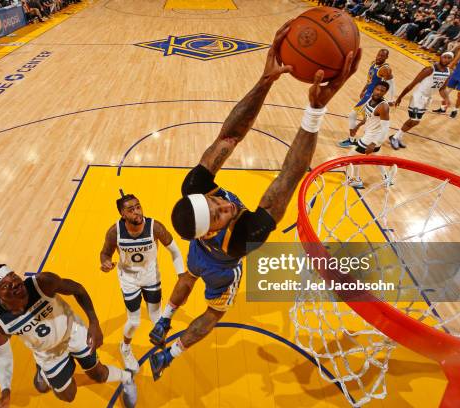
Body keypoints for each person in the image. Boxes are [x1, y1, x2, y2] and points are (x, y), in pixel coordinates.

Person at [147, 21, 361, 381]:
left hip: (199, 258)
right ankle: (172, 351)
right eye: (218, 215)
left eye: (216, 204)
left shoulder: (195, 189)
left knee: (188, 273)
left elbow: (229, 136)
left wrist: (266, 80)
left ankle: (166, 317)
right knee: (214, 312)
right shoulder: (245, 234)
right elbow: (289, 176)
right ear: (208, 231)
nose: (225, 207)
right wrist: (315, 110)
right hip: (221, 270)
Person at [0, 265, 137, 407]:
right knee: (68, 396)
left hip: (73, 333)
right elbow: (2, 356)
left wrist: (94, 323)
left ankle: (127, 378)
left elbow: (78, 289)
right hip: (48, 352)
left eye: (14, 276)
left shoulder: (43, 283)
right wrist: (5, 392)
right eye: (6, 286)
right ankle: (44, 369)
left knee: (99, 375)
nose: (15, 283)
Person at [100, 194, 184, 373]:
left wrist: (182, 275)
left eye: (138, 206)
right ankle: (125, 348)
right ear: (123, 214)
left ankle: (162, 349)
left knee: (156, 318)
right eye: (131, 210)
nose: (137, 212)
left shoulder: (155, 227)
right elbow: (105, 253)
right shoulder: (114, 232)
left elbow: (175, 252)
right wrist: (105, 263)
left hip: (151, 276)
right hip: (128, 279)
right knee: (134, 321)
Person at [389, 52, 453, 150]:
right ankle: (395, 137)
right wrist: (400, 97)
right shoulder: (430, 69)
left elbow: (442, 89)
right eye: (445, 57)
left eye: (449, 58)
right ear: (441, 57)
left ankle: (397, 137)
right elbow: (412, 84)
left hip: (428, 98)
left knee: (416, 122)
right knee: (414, 120)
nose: (446, 59)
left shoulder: (448, 72)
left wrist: (447, 99)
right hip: (419, 97)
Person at [338, 48, 394, 148]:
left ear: (386, 58)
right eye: (379, 55)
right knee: (367, 119)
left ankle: (352, 140)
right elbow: (370, 80)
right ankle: (366, 139)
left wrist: (390, 99)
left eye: (382, 56)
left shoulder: (385, 69)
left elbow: (390, 84)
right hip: (368, 93)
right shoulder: (374, 64)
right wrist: (364, 89)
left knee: (353, 115)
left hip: (372, 97)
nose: (379, 57)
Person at [346, 81, 392, 188]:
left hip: (372, 138)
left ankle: (357, 180)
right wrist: (358, 126)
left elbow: (385, 129)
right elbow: (368, 116)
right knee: (376, 158)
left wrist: (374, 143)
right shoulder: (371, 99)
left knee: (352, 157)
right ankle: (386, 178)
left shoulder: (383, 107)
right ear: (374, 88)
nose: (378, 92)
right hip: (370, 135)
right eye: (377, 89)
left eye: (382, 91)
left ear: (385, 93)